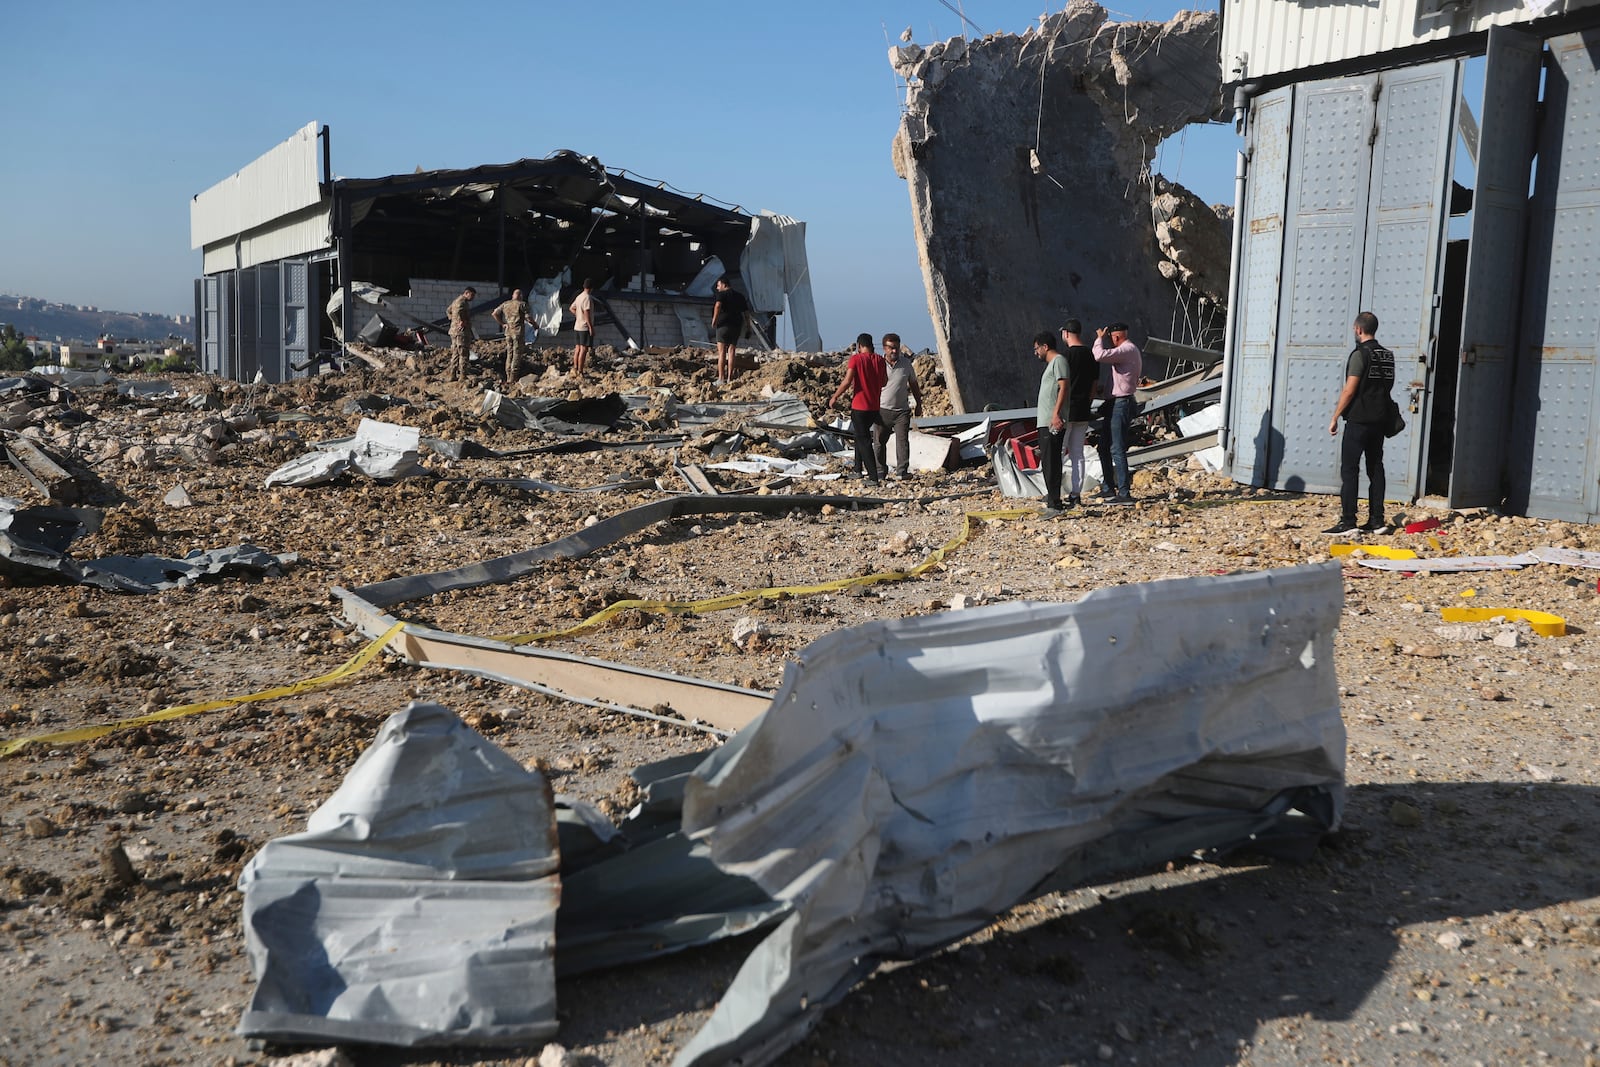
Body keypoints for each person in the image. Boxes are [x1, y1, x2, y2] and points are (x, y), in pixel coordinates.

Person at [1325, 311, 1396, 535]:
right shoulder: (1388, 355)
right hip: (1380, 419)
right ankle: (1377, 521)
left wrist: (1336, 416)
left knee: (1350, 469)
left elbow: (1350, 389)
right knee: (1376, 468)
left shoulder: (1359, 354)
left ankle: (1348, 521)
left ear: (1358, 329)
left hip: (1359, 419)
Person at [1092, 321, 1142, 503]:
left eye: (1111, 337)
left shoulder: (1126, 349)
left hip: (1122, 404)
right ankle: (1108, 487)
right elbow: (1121, 379)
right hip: (1115, 403)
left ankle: (1124, 492)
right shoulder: (1127, 352)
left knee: (1117, 448)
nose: (1110, 340)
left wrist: (1099, 339)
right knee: (1104, 446)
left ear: (1116, 336)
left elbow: (1099, 355)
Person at [828, 333, 887, 486]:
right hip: (874, 407)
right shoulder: (880, 360)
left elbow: (847, 381)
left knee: (864, 440)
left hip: (860, 406)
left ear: (859, 346)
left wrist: (835, 396)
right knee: (859, 436)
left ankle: (873, 477)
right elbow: (884, 382)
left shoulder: (856, 359)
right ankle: (857, 469)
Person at [1059, 320, 1097, 507]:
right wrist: (1088, 402)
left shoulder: (1065, 356)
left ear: (1066, 333)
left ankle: (1054, 492)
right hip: (1083, 409)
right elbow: (1094, 384)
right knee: (1077, 454)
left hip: (1066, 410)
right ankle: (1076, 493)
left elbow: (1061, 386)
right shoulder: (1090, 355)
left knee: (1059, 451)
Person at [875, 332, 923, 479]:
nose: (894, 351)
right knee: (878, 443)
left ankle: (902, 472)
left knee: (902, 442)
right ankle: (880, 471)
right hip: (882, 410)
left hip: (902, 411)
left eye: (896, 347)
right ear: (884, 348)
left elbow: (914, 385)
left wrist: (919, 404)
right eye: (891, 348)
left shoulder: (906, 364)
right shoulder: (878, 364)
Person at [1033, 331, 1070, 515]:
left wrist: (1055, 414)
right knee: (1048, 461)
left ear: (1045, 346)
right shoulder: (1051, 365)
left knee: (1052, 461)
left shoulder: (1059, 361)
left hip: (1051, 421)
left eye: (1036, 348)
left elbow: (1064, 387)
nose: (1036, 353)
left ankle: (1055, 504)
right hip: (1045, 421)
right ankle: (1052, 498)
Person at [492, 289, 536, 384]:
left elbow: (494, 313)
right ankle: (513, 377)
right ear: (520, 296)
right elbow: (528, 317)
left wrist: (503, 324)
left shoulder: (505, 304)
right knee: (516, 354)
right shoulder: (522, 304)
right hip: (518, 332)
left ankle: (508, 376)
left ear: (513, 295)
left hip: (508, 332)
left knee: (509, 353)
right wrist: (535, 325)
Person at [711, 275, 749, 385]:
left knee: (722, 351)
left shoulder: (721, 295)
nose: (717, 288)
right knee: (732, 351)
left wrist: (714, 320)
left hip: (723, 325)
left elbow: (718, 306)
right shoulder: (740, 296)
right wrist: (748, 327)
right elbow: (746, 314)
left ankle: (721, 379)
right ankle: (730, 378)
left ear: (723, 284)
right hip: (737, 325)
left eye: (718, 286)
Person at [446, 286, 477, 381]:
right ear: (466, 293)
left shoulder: (456, 300)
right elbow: (459, 311)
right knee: (463, 353)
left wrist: (453, 320)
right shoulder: (462, 302)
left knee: (455, 353)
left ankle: (452, 374)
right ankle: (462, 375)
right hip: (461, 332)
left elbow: (448, 310)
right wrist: (461, 321)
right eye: (472, 295)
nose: (473, 298)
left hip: (454, 331)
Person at [569, 278, 596, 379]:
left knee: (577, 348)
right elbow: (587, 313)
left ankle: (575, 368)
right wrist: (591, 327)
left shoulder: (579, 297)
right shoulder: (587, 298)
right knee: (584, 349)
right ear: (592, 288)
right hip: (584, 327)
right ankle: (580, 371)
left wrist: (578, 316)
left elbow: (571, 308)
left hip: (577, 326)